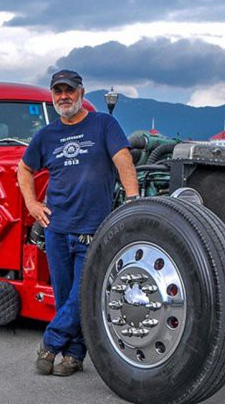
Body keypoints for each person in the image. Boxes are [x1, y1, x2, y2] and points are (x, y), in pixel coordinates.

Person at [17, 69, 139, 376]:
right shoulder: (46, 135)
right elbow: (24, 169)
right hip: (56, 229)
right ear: (53, 97)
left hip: (94, 228)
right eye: (57, 92)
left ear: (81, 93)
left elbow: (123, 157)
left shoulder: (103, 124)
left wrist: (134, 199)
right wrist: (32, 204)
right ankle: (73, 356)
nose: (63, 97)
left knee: (83, 295)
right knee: (64, 296)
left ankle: (50, 342)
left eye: (68, 91)